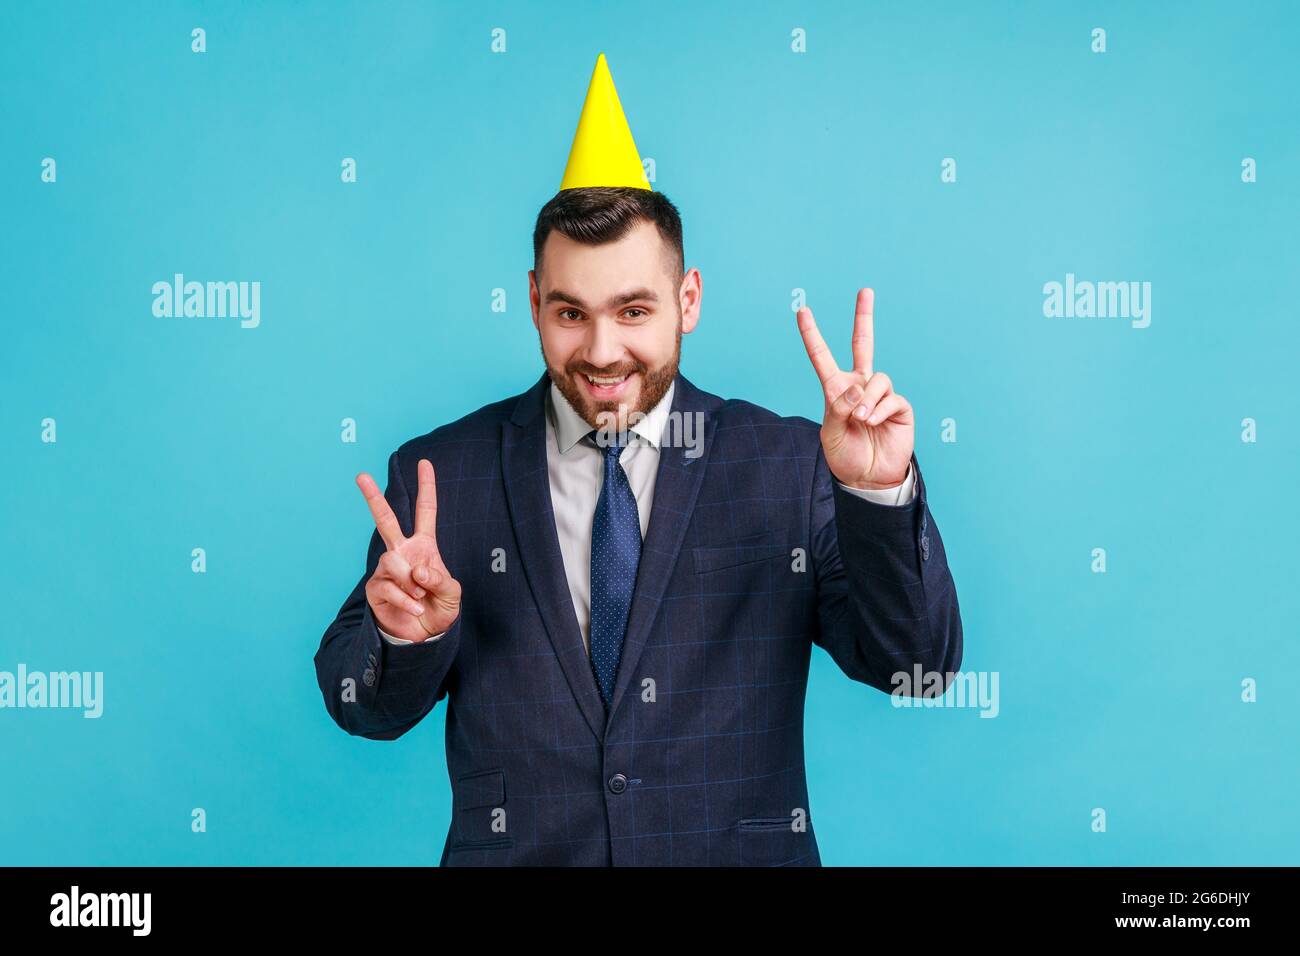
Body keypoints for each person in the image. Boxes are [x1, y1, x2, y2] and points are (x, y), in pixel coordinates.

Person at [314, 53, 962, 866]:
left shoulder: (788, 465)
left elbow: (920, 670)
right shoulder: (442, 474)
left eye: (633, 309)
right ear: (532, 303)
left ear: (688, 299)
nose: (601, 350)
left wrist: (874, 493)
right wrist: (404, 636)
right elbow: (357, 706)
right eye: (570, 313)